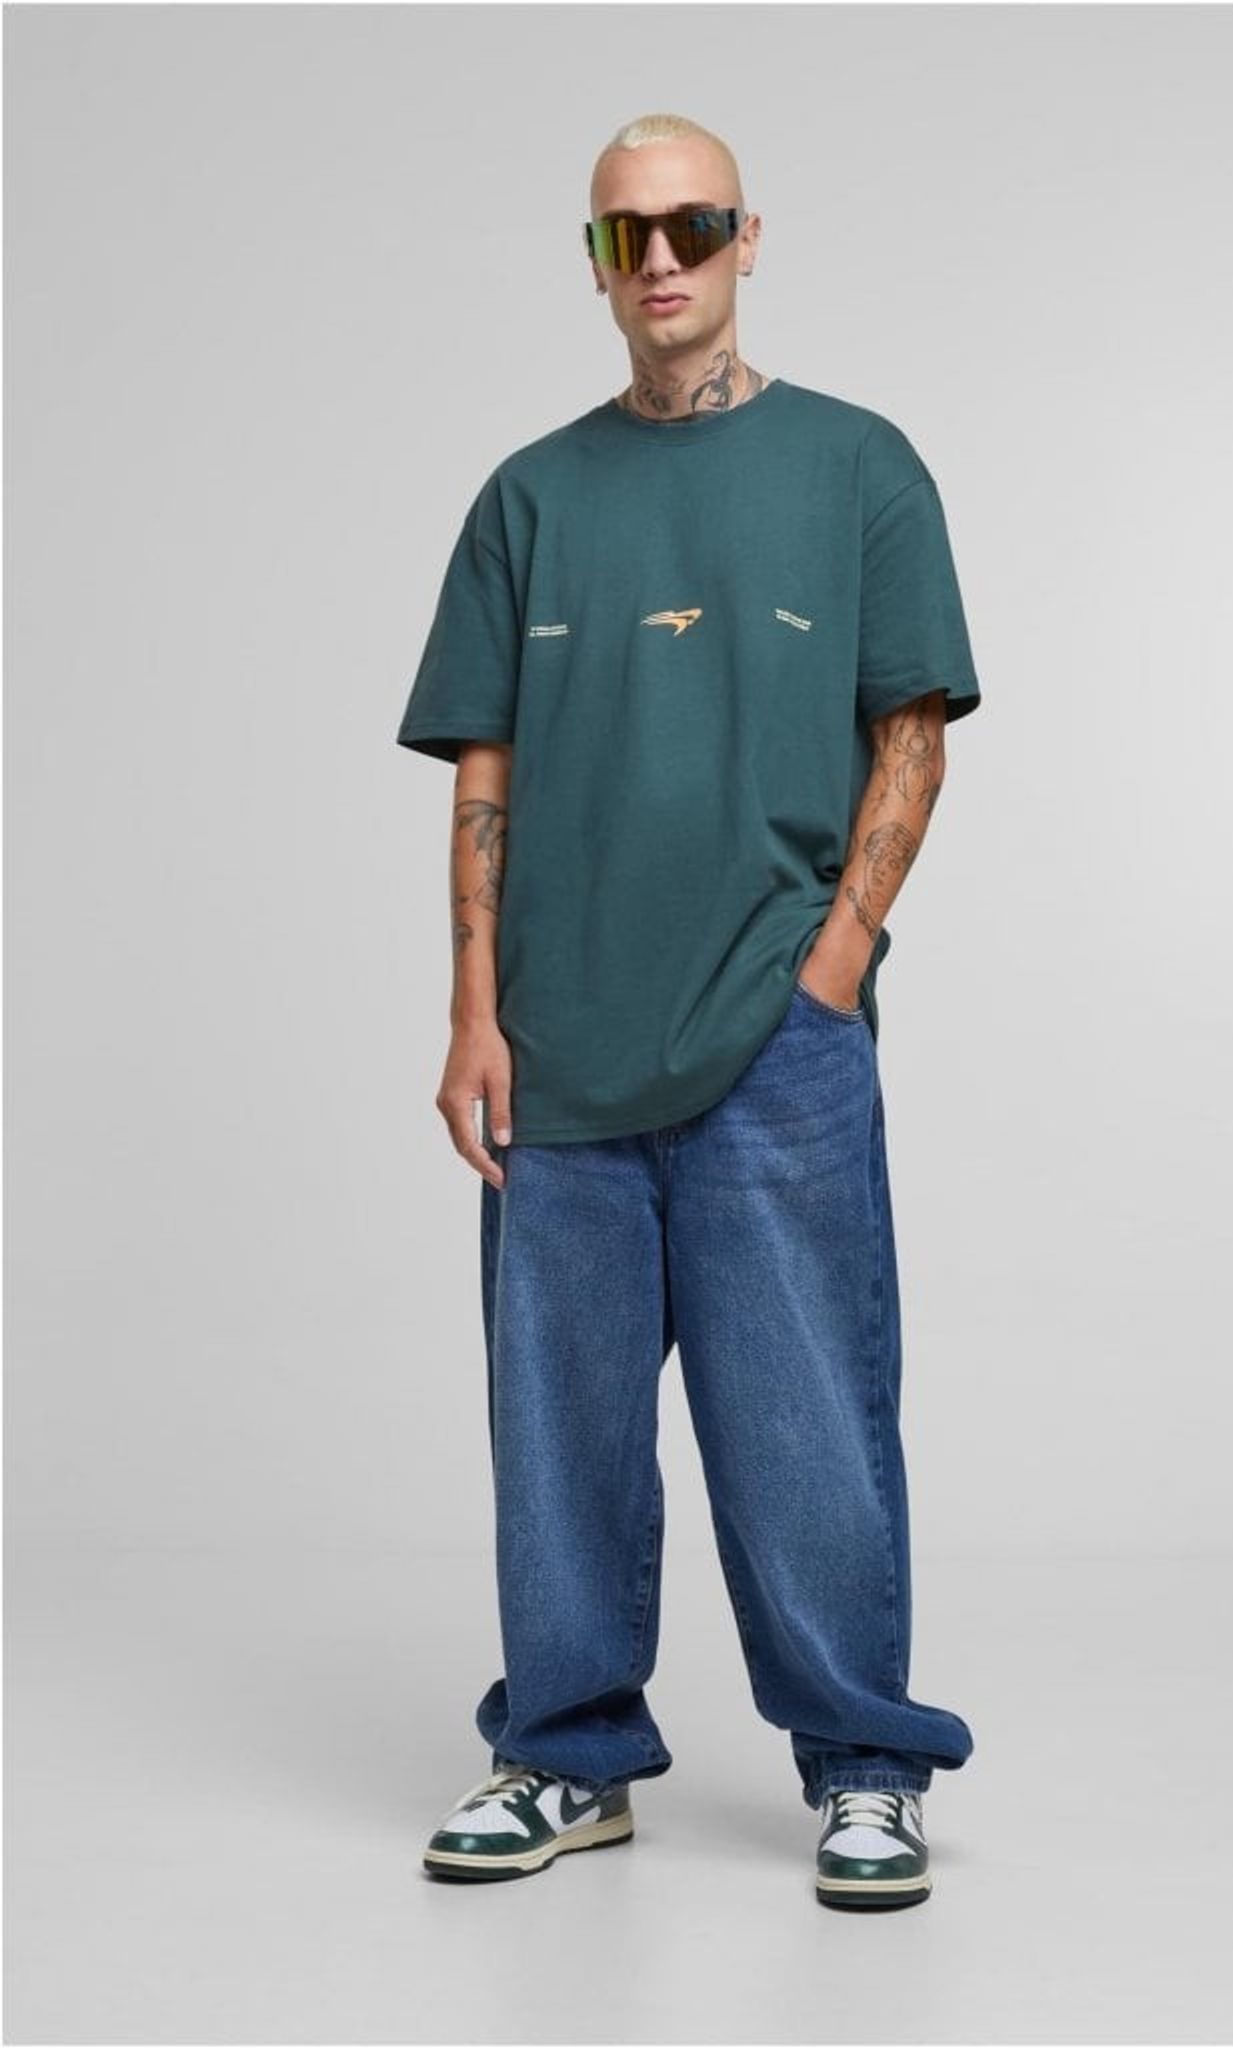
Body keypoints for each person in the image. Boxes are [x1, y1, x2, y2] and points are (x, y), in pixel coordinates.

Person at [396, 111, 981, 1913]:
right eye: (623, 234)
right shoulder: (529, 497)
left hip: (772, 1043)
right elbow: (484, 766)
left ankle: (865, 1768)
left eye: (691, 226)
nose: (658, 259)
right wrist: (473, 1009)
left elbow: (910, 735)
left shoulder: (858, 467)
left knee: (808, 1428)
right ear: (592, 261)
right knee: (558, 1440)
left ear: (746, 239)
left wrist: (833, 968)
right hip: (554, 1047)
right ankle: (566, 1757)